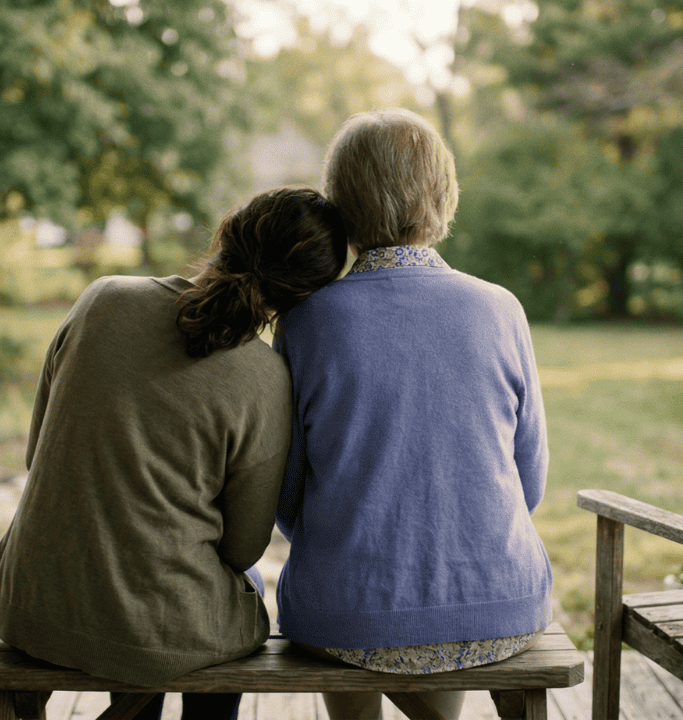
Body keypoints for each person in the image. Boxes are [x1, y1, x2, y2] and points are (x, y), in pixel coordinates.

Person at [0, 186, 348, 720]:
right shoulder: (263, 378)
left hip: (30, 601)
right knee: (227, 593)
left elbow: (37, 453)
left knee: (147, 587)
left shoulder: (102, 298)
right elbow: (244, 547)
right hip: (145, 625)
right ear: (298, 301)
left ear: (227, 229)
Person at [274, 109, 553, 720]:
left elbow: (287, 492)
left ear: (340, 205)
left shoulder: (307, 321)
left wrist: (350, 547)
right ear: (443, 195)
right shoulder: (501, 309)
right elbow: (528, 481)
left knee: (348, 613)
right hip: (500, 602)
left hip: (343, 612)